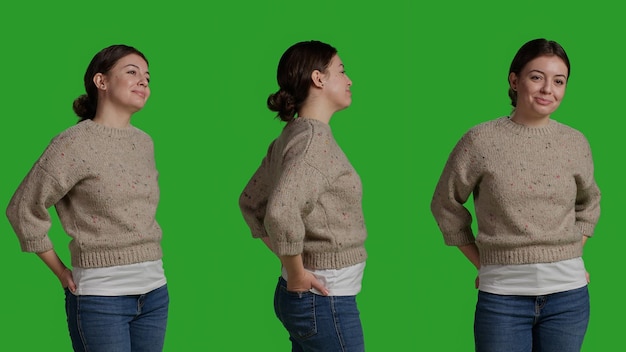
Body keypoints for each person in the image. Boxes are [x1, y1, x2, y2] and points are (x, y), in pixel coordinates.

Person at [430, 38, 601, 352]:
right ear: (514, 80)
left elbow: (589, 203)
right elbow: (445, 203)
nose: (548, 88)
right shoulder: (480, 140)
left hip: (569, 298)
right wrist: (484, 264)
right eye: (537, 77)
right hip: (502, 298)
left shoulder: (575, 143)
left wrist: (573, 252)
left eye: (559, 81)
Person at [6, 44, 168, 352]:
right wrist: (61, 271)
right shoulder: (73, 144)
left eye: (147, 76)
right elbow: (22, 208)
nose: (143, 81)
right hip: (101, 299)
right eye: (131, 72)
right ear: (101, 82)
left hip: (155, 292)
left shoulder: (144, 142)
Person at [239, 40, 367, 352]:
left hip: (306, 298)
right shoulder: (314, 141)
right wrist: (297, 273)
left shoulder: (292, 135)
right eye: (341, 70)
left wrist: (291, 266)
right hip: (325, 299)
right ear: (318, 78)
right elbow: (280, 212)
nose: (349, 80)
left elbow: (250, 202)